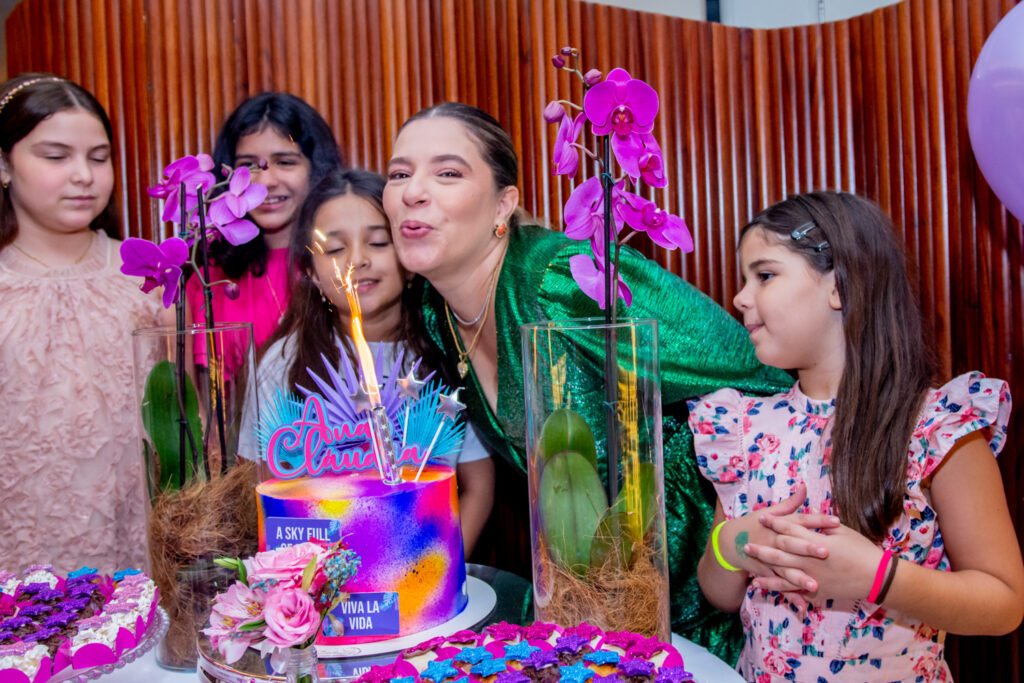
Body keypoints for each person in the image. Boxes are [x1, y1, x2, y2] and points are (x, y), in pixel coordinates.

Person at [381, 101, 792, 660]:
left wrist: (732, 525)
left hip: (691, 594)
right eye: (399, 173)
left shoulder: (566, 279)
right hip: (582, 610)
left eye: (447, 172)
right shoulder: (434, 310)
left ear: (505, 203)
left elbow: (753, 369)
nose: (412, 191)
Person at [689, 191, 1024, 681]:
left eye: (764, 275)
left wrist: (878, 577)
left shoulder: (937, 426)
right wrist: (733, 544)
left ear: (840, 285)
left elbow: (1003, 602)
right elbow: (721, 592)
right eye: (744, 279)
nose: (740, 297)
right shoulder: (742, 428)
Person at [239, 168, 494, 553]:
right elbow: (253, 486)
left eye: (378, 242)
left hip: (421, 577)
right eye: (336, 249)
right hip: (318, 591)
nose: (357, 261)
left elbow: (478, 486)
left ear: (409, 256)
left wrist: (440, 572)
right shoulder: (283, 361)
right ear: (309, 271)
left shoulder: (450, 354)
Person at [0, 74, 162, 573]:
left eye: (98, 157)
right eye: (55, 157)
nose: (83, 176)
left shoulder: (148, 275)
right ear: (3, 164)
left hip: (136, 554)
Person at [185, 92, 344, 373]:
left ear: (316, 169)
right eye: (249, 165)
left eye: (285, 162)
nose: (267, 181)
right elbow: (205, 405)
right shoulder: (210, 279)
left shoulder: (345, 264)